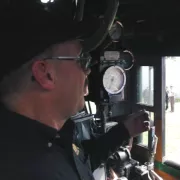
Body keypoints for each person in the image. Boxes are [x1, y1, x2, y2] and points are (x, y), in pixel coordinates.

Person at [0, 4, 150, 180]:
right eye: (82, 60)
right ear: (46, 74)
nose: (87, 72)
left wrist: (124, 131)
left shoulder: (50, 139)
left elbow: (82, 163)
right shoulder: (27, 170)